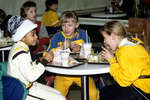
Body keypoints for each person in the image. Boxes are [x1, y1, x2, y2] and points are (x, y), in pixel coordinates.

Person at [7, 15, 66, 100]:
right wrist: (44, 61)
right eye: (33, 35)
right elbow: (31, 76)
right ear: (22, 37)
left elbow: (27, 67)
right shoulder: (20, 53)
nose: (36, 37)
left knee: (58, 93)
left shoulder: (20, 47)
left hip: (27, 85)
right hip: (22, 91)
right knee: (60, 98)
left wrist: (38, 61)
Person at [44, 11, 99, 100]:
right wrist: (62, 47)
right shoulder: (57, 37)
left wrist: (81, 49)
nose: (66, 29)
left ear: (76, 25)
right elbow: (46, 55)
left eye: (69, 25)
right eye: (63, 25)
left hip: (83, 72)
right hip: (63, 73)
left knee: (93, 94)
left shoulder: (83, 34)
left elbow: (91, 53)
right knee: (56, 96)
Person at [99, 21, 150, 100]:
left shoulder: (124, 51)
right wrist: (115, 53)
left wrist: (112, 61)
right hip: (146, 84)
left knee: (104, 91)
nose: (104, 41)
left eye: (105, 38)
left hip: (142, 90)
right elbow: (132, 60)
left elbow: (123, 81)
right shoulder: (134, 41)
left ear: (113, 36)